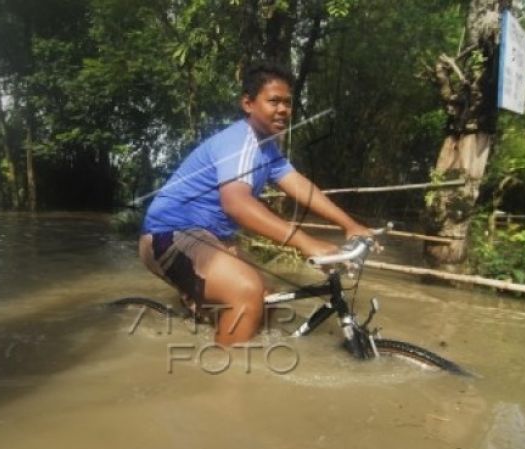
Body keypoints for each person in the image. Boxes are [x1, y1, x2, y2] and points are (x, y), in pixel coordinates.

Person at [139, 61, 370, 346]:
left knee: (267, 299)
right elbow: (236, 204)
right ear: (248, 104)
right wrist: (306, 242)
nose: (284, 109)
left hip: (209, 238)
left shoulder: (268, 148)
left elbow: (300, 186)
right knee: (246, 291)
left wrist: (350, 225)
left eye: (288, 102)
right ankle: (225, 379)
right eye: (274, 101)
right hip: (169, 234)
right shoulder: (240, 141)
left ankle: (233, 341)